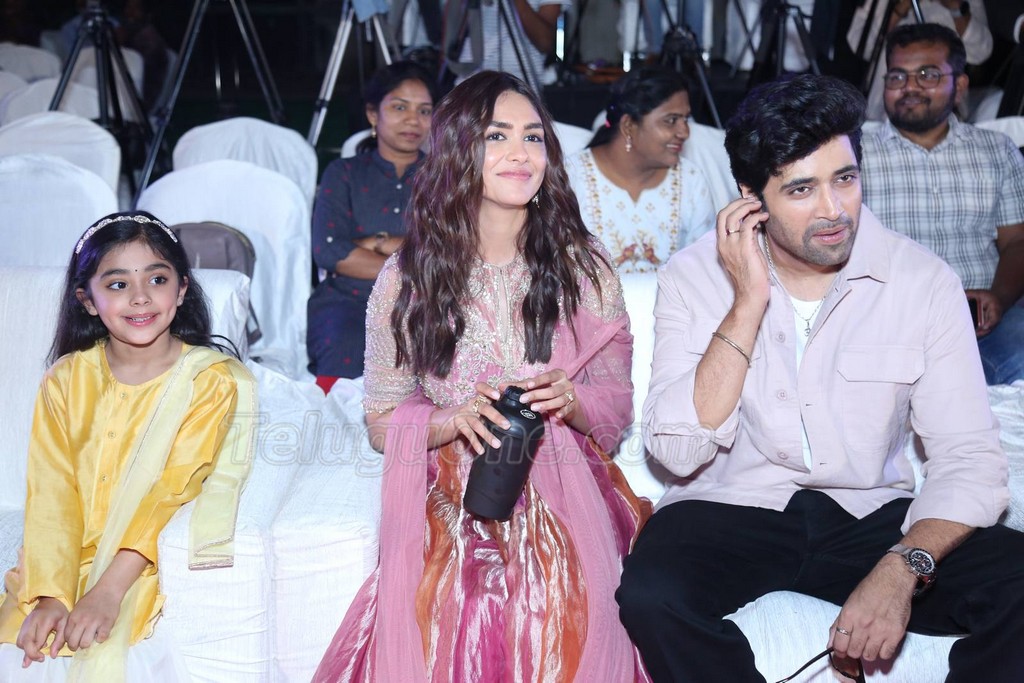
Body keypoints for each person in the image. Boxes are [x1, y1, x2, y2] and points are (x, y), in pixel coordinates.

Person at [616, 73, 1024, 681]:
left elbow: (969, 458)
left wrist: (901, 566)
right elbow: (675, 451)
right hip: (731, 505)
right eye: (802, 189)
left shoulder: (922, 280)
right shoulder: (694, 275)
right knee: (651, 596)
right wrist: (746, 302)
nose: (833, 210)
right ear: (751, 197)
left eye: (845, 179)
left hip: (870, 514)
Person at [313, 71, 650, 682]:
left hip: (564, 477)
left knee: (557, 600)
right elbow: (381, 422)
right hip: (452, 482)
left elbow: (616, 410)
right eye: (497, 136)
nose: (520, 153)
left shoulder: (583, 267)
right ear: (457, 150)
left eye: (533, 137)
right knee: (457, 603)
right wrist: (453, 418)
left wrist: (570, 400)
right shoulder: (407, 277)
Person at [0, 211, 256, 681]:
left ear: (182, 289)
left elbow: (171, 493)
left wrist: (107, 591)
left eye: (157, 279)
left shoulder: (209, 381)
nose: (140, 297)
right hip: (54, 567)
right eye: (118, 284)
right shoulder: (66, 380)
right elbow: (52, 495)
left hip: (141, 568)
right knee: (26, 652)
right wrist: (52, 595)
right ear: (87, 300)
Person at [861, 23, 1024, 385]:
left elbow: (1016, 242)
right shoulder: (854, 154)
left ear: (960, 86)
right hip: (889, 319)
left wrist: (998, 298)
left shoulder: (996, 151)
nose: (910, 87)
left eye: (928, 75)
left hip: (982, 320)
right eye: (897, 77)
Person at [307, 61, 437, 385]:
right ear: (372, 115)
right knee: (343, 344)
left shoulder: (444, 179)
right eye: (399, 107)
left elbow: (448, 250)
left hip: (427, 301)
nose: (413, 119)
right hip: (350, 300)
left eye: (424, 111)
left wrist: (376, 242)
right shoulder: (343, 173)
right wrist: (413, 258)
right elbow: (329, 251)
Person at [565, 66, 715, 274]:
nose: (684, 132)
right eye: (671, 120)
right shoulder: (571, 177)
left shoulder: (691, 179)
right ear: (628, 126)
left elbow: (703, 270)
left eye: (685, 119)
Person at [847, 0, 991, 120]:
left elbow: (981, 52)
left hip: (942, 113)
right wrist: (900, 8)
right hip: (884, 110)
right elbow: (859, 45)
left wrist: (955, 9)